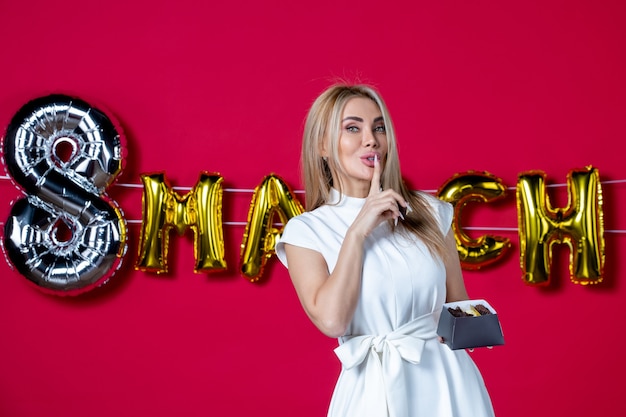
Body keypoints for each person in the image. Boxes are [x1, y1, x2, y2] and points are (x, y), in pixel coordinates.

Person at [275, 83, 495, 417]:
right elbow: (333, 321)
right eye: (353, 128)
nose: (371, 139)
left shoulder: (430, 212)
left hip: (448, 386)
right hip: (371, 391)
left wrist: (477, 325)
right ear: (322, 144)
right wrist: (359, 231)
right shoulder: (306, 231)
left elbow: (457, 304)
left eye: (379, 127)